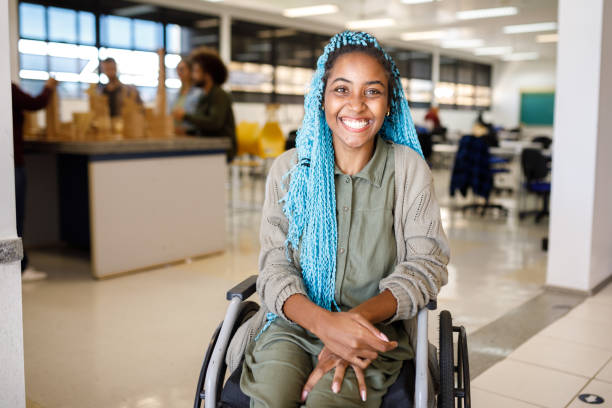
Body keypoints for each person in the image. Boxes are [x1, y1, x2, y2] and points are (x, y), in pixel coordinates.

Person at [237, 31, 449, 408]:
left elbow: (426, 264)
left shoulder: (408, 170)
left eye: (372, 91)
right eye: (341, 90)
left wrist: (350, 328)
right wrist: (324, 325)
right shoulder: (289, 170)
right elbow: (274, 266)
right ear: (321, 97)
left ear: (389, 103)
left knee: (329, 400)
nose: (356, 105)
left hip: (375, 331)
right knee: (271, 398)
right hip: (292, 326)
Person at [11, 78, 58, 281]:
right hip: (12, 163)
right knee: (14, 220)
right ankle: (19, 268)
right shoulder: (7, 88)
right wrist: (48, 89)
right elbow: (35, 103)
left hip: (10, 163)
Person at [172, 52, 236, 161]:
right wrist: (186, 132)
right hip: (210, 148)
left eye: (196, 71)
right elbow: (203, 126)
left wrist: (185, 116)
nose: (193, 76)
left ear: (207, 74)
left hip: (221, 151)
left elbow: (214, 123)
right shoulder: (204, 96)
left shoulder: (219, 95)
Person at [170, 57, 202, 134]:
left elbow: (200, 118)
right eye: (177, 70)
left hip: (191, 134)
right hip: (176, 133)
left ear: (191, 71)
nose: (179, 73)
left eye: (182, 69)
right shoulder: (175, 95)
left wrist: (184, 116)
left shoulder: (199, 93)